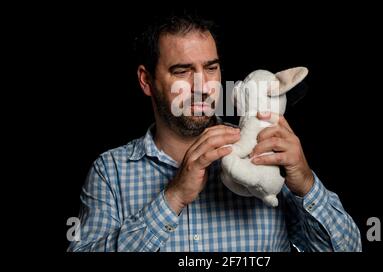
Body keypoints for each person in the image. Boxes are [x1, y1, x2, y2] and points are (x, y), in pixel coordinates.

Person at [68, 14, 362, 252]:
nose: (201, 85)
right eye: (182, 71)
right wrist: (173, 197)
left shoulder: (266, 151)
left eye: (211, 68)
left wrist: (306, 184)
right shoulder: (111, 171)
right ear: (146, 80)